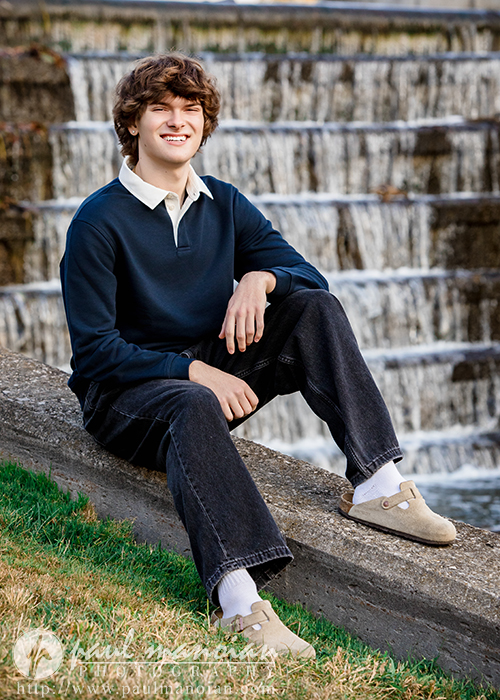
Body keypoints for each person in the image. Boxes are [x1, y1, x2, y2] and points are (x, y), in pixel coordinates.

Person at [60, 53, 456, 660]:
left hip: (213, 373)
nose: (176, 121)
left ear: (204, 123)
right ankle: (239, 601)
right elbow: (93, 353)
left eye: (189, 109)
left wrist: (260, 280)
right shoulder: (97, 221)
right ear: (131, 124)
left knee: (312, 309)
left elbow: (308, 276)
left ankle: (378, 483)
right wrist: (193, 370)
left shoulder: (223, 202)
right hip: (126, 398)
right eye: (159, 109)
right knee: (190, 402)